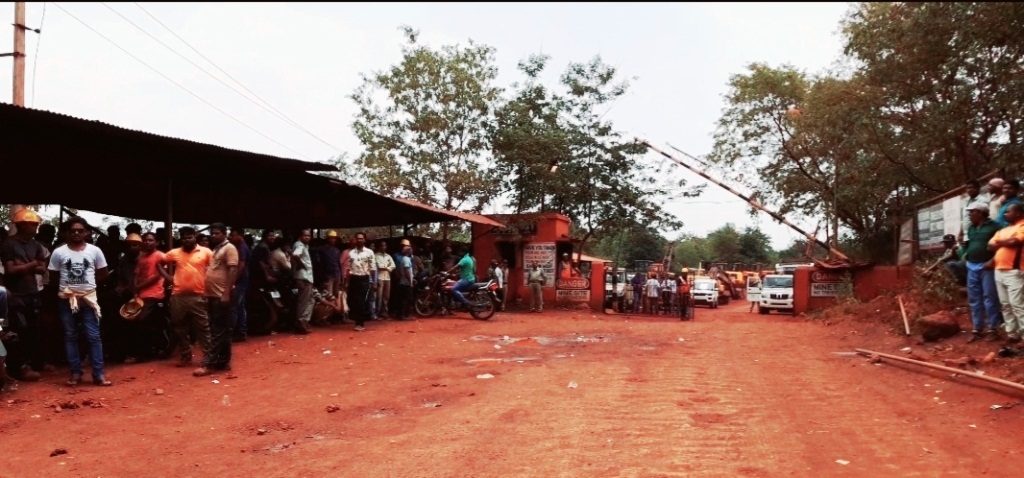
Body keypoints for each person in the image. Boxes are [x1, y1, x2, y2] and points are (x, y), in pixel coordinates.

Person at [47, 217, 112, 386]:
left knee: (93, 336)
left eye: (80, 230)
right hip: (66, 299)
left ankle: (98, 374)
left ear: (87, 233)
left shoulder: (95, 251)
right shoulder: (59, 252)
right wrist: (70, 290)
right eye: (73, 230)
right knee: (70, 335)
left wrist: (87, 288)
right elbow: (53, 277)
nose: (76, 233)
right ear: (67, 233)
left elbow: (103, 273)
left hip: (89, 299)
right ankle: (75, 373)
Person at [0, 208, 46, 382]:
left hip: (32, 292)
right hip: (15, 295)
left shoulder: (36, 245)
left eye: (36, 224)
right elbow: (11, 270)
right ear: (21, 225)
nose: (35, 227)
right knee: (18, 330)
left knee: (33, 331)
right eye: (32, 224)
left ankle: (29, 364)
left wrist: (25, 265)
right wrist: (32, 264)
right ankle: (17, 367)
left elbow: (42, 269)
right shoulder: (9, 244)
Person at [162, 226, 215, 374]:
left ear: (195, 237)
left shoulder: (206, 252)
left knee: (203, 327)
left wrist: (210, 289)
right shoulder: (175, 253)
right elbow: (160, 262)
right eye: (184, 237)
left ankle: (208, 357)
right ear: (181, 239)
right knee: (179, 327)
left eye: (189, 237)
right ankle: (185, 355)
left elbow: (214, 270)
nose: (187, 240)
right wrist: (168, 278)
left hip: (199, 296)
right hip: (178, 296)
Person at [194, 223, 238, 376]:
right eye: (212, 233)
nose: (213, 236)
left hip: (221, 294)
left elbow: (233, 269)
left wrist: (226, 292)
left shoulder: (229, 248)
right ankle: (223, 361)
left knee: (217, 330)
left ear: (224, 233)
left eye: (217, 233)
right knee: (223, 330)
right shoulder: (216, 249)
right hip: (213, 294)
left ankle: (209, 364)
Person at [963, 203, 1002, 342]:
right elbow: (971, 244)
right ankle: (977, 328)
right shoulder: (971, 228)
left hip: (987, 266)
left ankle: (993, 328)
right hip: (971, 265)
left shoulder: (995, 226)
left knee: (989, 296)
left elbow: (1001, 245)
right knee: (974, 298)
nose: (969, 215)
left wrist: (993, 260)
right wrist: (966, 254)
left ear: (980, 213)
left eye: (971, 212)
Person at [987, 203, 1024, 344]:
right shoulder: (1003, 230)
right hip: (999, 270)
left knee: (1017, 304)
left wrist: (999, 243)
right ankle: (1012, 333)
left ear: (1018, 213)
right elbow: (990, 246)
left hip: (1014, 271)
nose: (1004, 214)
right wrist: (1004, 242)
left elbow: (1015, 241)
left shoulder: (1022, 226)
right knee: (1005, 304)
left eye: (1008, 212)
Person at [130, 232, 170, 361]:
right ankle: (150, 351)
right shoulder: (141, 257)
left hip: (155, 294)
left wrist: (138, 287)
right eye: (145, 240)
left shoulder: (160, 256)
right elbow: (136, 274)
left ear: (156, 242)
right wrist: (135, 290)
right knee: (144, 323)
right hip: (141, 295)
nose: (148, 242)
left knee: (144, 322)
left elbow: (157, 276)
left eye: (151, 240)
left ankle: (147, 353)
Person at [345, 232, 375, 331]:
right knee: (353, 301)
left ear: (364, 240)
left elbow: (372, 268)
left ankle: (360, 323)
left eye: (361, 238)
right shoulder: (351, 253)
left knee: (362, 301)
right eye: (358, 238)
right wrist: (346, 281)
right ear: (355, 240)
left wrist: (373, 281)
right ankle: (356, 320)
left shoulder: (369, 252)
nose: (359, 240)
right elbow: (348, 268)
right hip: (354, 278)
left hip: (364, 278)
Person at [228, 227, 250, 342]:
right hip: (242, 280)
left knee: (234, 306)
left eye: (233, 235)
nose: (231, 237)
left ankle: (235, 331)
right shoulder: (239, 246)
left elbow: (241, 265)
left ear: (240, 235)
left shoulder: (241, 247)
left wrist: (233, 280)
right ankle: (241, 331)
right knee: (240, 307)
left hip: (240, 280)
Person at [291, 229, 314, 334]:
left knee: (308, 300)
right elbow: (295, 255)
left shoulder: (303, 245)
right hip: (304, 277)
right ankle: (301, 323)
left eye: (309, 236)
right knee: (304, 301)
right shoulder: (300, 245)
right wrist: (300, 264)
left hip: (305, 277)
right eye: (305, 236)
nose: (308, 238)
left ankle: (301, 322)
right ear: (300, 236)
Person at [393, 240, 415, 320]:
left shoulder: (406, 259)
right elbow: (407, 271)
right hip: (405, 282)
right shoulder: (406, 259)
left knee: (403, 299)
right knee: (405, 299)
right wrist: (410, 281)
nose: (412, 251)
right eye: (410, 250)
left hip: (403, 282)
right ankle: (403, 315)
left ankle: (401, 315)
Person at [450, 247, 476, 311]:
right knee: (456, 284)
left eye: (460, 252)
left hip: (467, 279)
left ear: (464, 252)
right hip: (470, 278)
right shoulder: (469, 258)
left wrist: (447, 272)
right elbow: (466, 270)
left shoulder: (464, 259)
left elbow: (456, 267)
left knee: (454, 289)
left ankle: (465, 302)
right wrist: (456, 274)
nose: (459, 253)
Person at [375, 241, 396, 318]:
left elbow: (393, 265)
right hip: (379, 277)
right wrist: (387, 267)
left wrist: (387, 268)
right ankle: (377, 312)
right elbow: (378, 266)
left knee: (386, 296)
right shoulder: (375, 255)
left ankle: (384, 312)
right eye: (382, 246)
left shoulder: (388, 256)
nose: (383, 247)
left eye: (385, 246)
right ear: (379, 247)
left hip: (387, 278)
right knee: (379, 296)